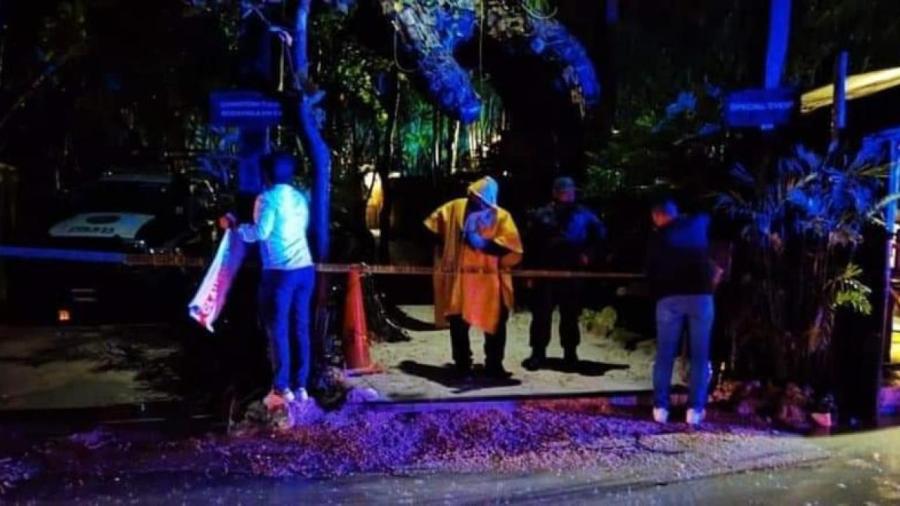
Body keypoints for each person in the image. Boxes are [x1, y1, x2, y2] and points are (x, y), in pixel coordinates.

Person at [221, 152, 314, 408]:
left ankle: (281, 388)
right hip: (305, 269)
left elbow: (260, 232)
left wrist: (234, 227)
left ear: (266, 174)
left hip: (279, 272)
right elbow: (301, 228)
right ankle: (302, 385)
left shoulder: (267, 198)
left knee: (278, 330)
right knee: (301, 328)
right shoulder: (299, 197)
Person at [424, 176, 524, 380]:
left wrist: (483, 244)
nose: (473, 201)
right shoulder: (456, 208)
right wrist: (443, 249)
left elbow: (512, 248)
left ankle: (494, 365)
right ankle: (462, 364)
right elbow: (432, 225)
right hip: (461, 279)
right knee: (458, 323)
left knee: (495, 323)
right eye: (472, 197)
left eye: (478, 199)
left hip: (490, 281)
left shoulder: (502, 217)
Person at [645, 198, 719, 425]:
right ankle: (694, 410)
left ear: (658, 216)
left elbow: (650, 269)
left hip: (670, 298)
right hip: (701, 296)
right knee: (700, 355)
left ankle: (661, 408)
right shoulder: (699, 223)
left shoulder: (658, 237)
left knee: (665, 355)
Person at [523, 176, 607, 371]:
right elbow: (530, 244)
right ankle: (538, 352)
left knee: (570, 315)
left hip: (572, 272)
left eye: (570, 192)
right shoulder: (542, 215)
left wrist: (589, 254)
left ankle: (570, 353)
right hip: (546, 272)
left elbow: (600, 238)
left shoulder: (585, 215)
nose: (567, 195)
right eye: (563, 191)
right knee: (541, 314)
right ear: (555, 193)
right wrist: (529, 271)